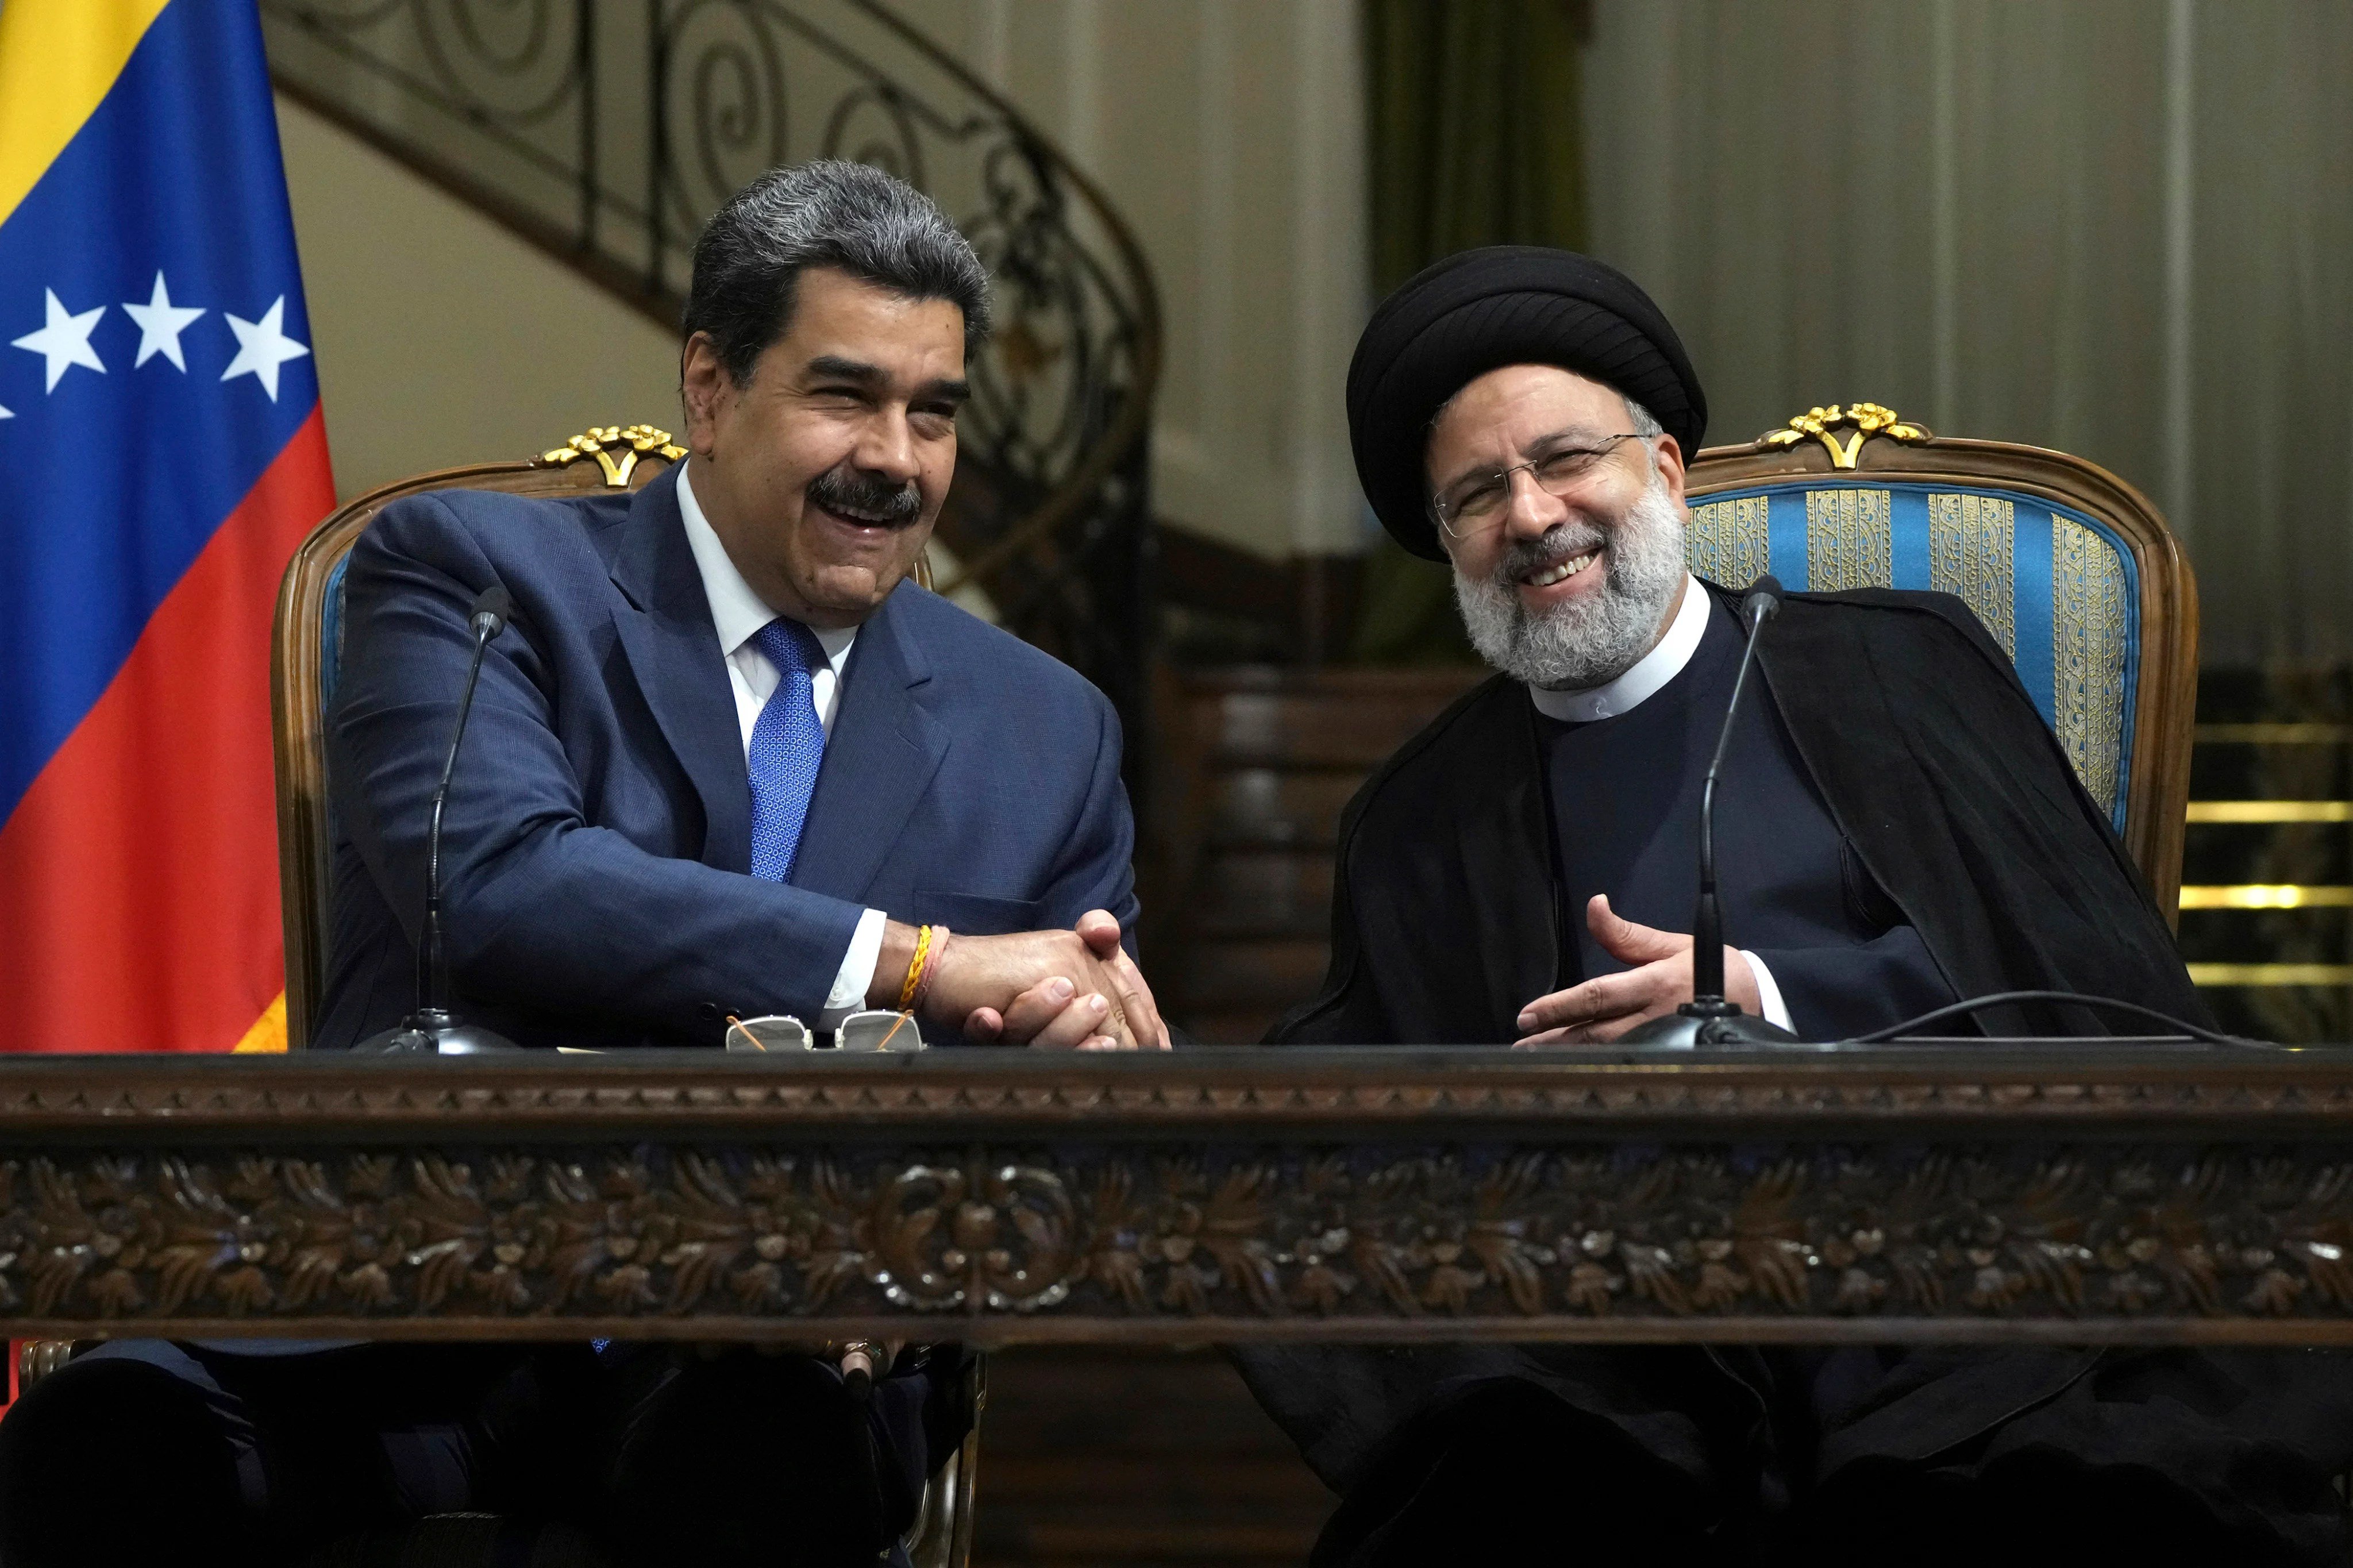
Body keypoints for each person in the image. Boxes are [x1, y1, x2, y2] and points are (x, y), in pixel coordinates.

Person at [0, 161, 1166, 1568]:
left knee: (759, 1454)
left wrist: (931, 1239)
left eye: (934, 413)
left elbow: (1044, 1103)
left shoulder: (1044, 728)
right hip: (408, 1308)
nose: (898, 459)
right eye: (844, 396)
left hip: (771, 1349)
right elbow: (493, 886)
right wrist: (919, 961)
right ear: (710, 388)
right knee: (110, 1438)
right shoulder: (475, 577)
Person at [1233, 246, 2353, 1566]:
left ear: (1662, 470)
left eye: (1563, 460)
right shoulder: (1418, 818)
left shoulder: (1895, 668)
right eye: (1476, 493)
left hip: (1963, 1301)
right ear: (1443, 544)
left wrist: (1760, 1001)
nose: (1529, 517)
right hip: (1624, 1373)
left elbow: (2095, 991)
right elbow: (1365, 1129)